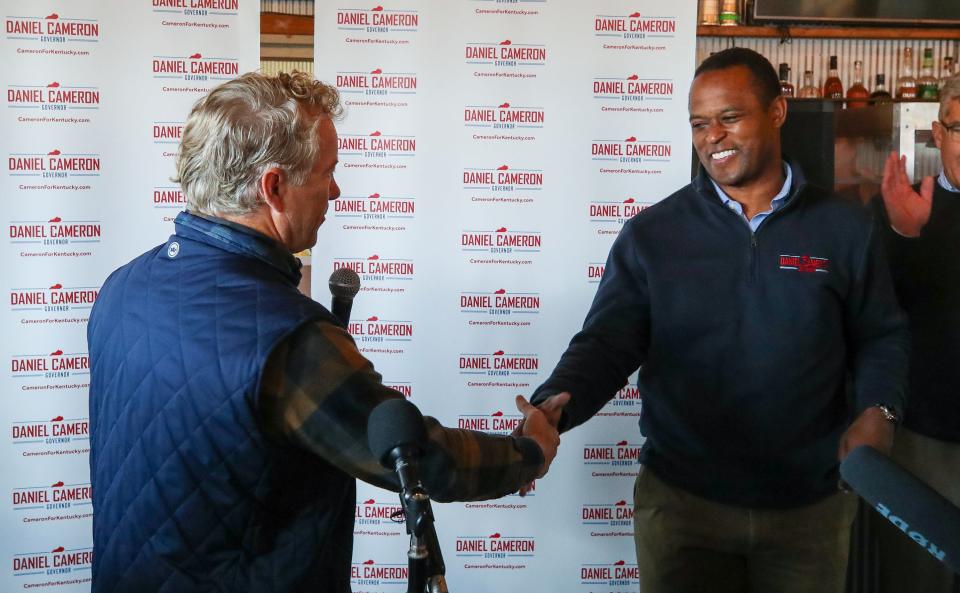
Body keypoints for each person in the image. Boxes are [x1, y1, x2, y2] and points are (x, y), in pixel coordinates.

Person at [86, 71, 563, 593]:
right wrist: (529, 454)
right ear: (273, 187)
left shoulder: (122, 287)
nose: (336, 190)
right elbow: (420, 461)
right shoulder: (288, 339)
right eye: (327, 171)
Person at [528, 48, 908, 593]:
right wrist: (557, 402)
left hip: (809, 508)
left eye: (730, 118)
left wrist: (880, 411)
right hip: (683, 507)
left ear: (777, 112)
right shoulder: (653, 235)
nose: (713, 137)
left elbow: (881, 334)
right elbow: (608, 341)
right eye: (700, 124)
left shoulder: (845, 229)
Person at [873, 76, 960, 593]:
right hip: (924, 440)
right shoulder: (898, 209)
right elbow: (875, 317)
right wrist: (905, 235)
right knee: (916, 581)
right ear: (939, 131)